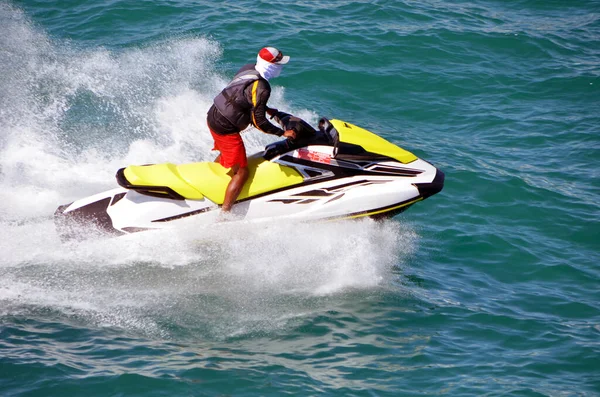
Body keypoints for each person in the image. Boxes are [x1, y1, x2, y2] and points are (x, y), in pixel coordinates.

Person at [206, 47, 296, 213]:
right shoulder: (263, 87)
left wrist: (265, 108)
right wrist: (282, 133)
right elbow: (259, 122)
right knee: (242, 171)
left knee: (228, 154)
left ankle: (211, 179)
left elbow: (243, 95)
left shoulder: (248, 69)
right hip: (225, 127)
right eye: (279, 64)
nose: (281, 67)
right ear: (271, 65)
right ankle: (224, 214)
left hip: (213, 115)